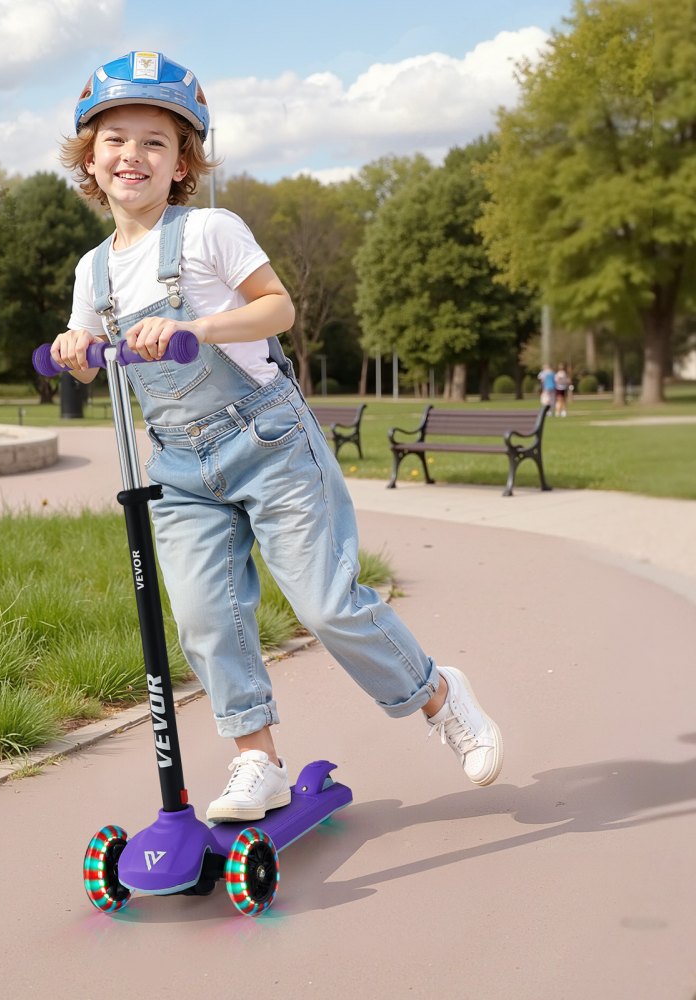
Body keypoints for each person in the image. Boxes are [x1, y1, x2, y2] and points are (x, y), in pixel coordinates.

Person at [51, 51, 503, 822]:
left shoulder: (210, 232)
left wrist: (195, 325)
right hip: (181, 466)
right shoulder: (92, 273)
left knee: (326, 605)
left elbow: (276, 309)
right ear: (89, 159)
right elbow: (90, 363)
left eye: (156, 142)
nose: (135, 155)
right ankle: (256, 760)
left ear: (183, 161)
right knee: (204, 618)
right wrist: (72, 349)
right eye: (116, 140)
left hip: (266, 441)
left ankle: (435, 693)